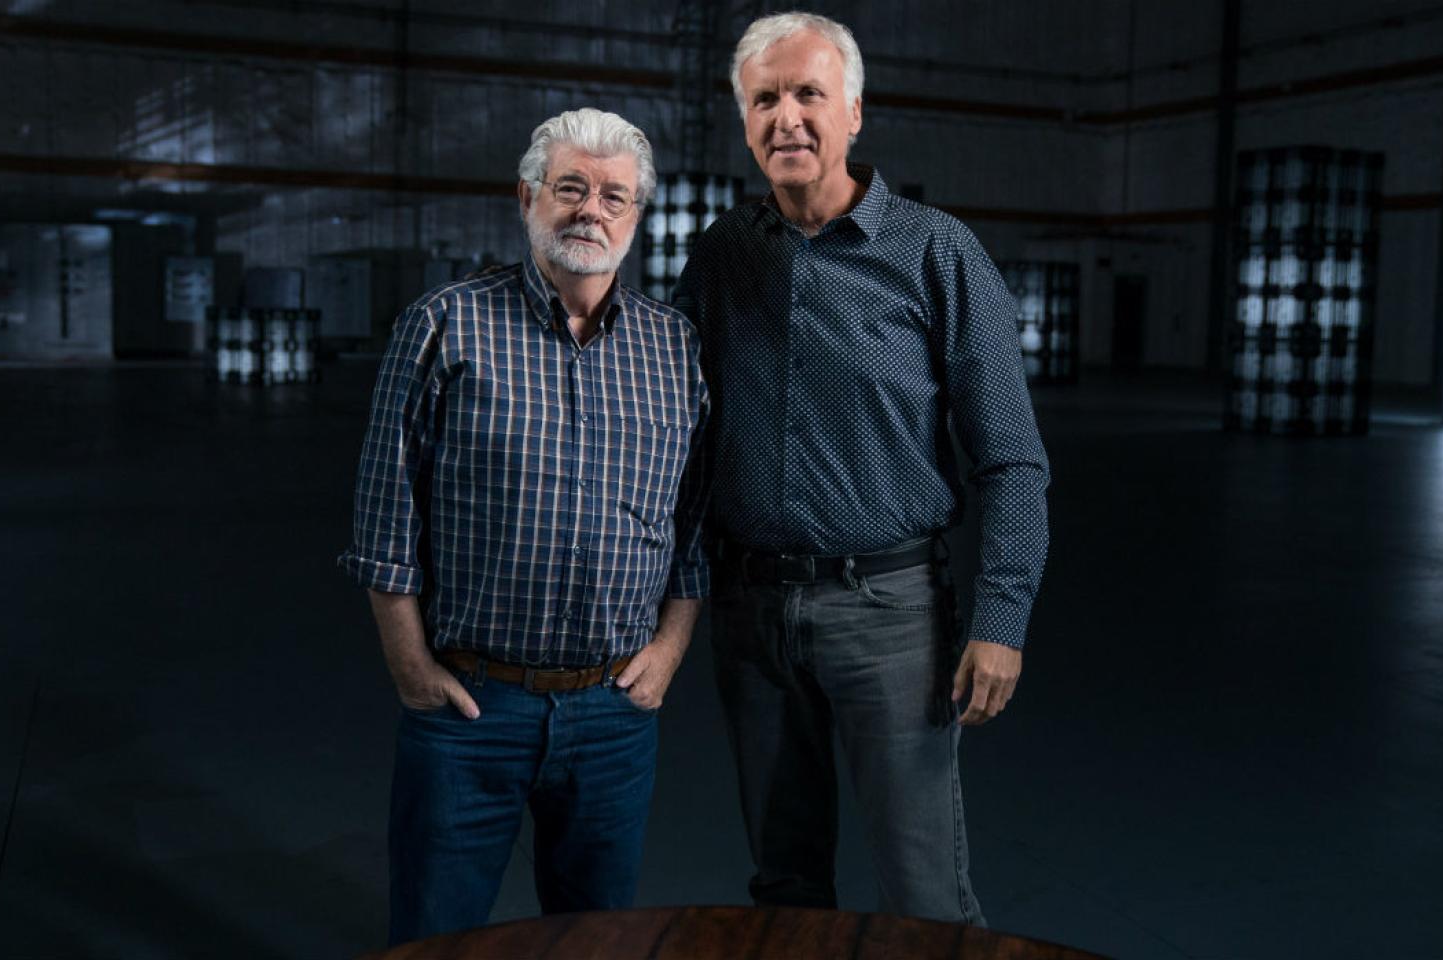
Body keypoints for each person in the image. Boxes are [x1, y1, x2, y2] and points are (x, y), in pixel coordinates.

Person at [673, 12, 1050, 926]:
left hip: (888, 615)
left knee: (922, 890)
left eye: (809, 94)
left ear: (853, 113)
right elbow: (680, 435)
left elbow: (1012, 458)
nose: (787, 117)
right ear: (746, 119)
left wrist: (1002, 617)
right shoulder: (722, 256)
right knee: (784, 885)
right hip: (752, 615)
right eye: (765, 99)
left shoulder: (936, 251)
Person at [337, 107, 710, 944]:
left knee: (595, 938)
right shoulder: (444, 325)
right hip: (472, 708)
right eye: (570, 188)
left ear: (637, 217)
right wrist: (410, 669)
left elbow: (692, 522)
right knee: (438, 934)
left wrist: (671, 649)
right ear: (527, 196)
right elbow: (383, 508)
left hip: (615, 713)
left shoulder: (673, 348)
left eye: (615, 196)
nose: (591, 211)